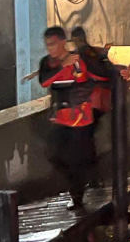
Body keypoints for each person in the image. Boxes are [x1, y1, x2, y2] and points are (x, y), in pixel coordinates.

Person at [39, 26, 96, 210]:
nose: (50, 49)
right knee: (53, 153)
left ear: (63, 42)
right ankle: (80, 183)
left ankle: (77, 197)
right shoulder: (47, 63)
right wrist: (61, 67)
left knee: (76, 159)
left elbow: (85, 81)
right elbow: (44, 81)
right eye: (47, 45)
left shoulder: (76, 60)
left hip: (79, 118)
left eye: (53, 44)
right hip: (60, 117)